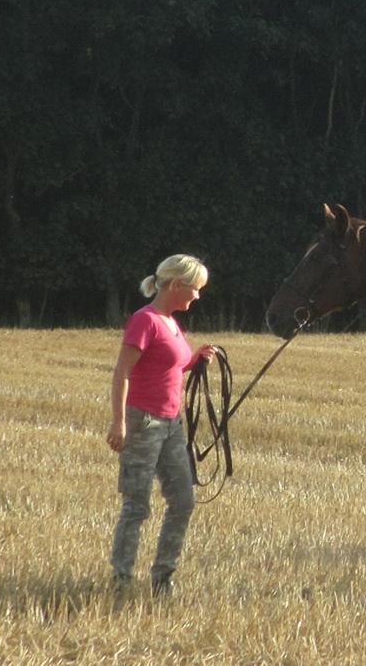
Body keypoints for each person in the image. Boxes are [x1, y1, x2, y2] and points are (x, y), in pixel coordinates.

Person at [107, 253, 216, 596]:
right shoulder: (146, 320)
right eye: (195, 289)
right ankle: (121, 578)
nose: (197, 296)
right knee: (136, 505)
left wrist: (195, 360)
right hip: (143, 422)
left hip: (171, 424)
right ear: (176, 285)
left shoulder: (171, 322)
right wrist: (119, 422)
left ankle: (162, 577)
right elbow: (122, 372)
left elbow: (167, 367)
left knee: (183, 501)